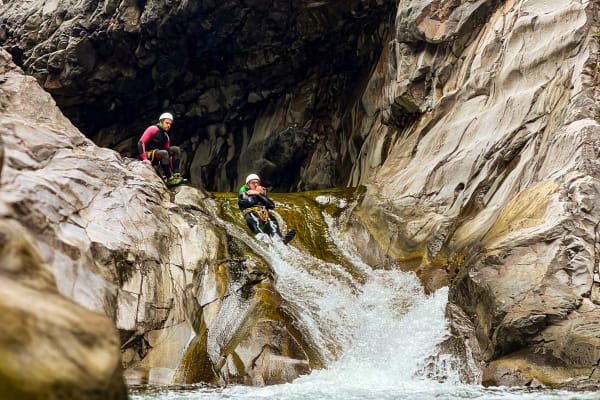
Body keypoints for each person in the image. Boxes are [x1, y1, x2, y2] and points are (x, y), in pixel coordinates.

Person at [238, 173, 296, 244]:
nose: (256, 185)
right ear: (248, 185)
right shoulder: (243, 194)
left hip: (263, 213)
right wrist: (258, 194)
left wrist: (259, 194)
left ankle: (280, 239)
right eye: (253, 183)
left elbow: (271, 205)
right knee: (256, 220)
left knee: (272, 222)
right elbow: (250, 202)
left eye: (257, 183)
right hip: (250, 214)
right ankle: (262, 238)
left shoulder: (260, 193)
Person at [138, 112, 183, 186]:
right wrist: (144, 159)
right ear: (161, 122)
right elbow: (141, 142)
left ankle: (176, 175)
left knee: (176, 149)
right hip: (148, 154)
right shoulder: (153, 129)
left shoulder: (166, 137)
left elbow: (168, 156)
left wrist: (172, 168)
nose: (168, 125)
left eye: (170, 124)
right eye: (167, 123)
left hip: (159, 154)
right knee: (164, 153)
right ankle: (169, 179)